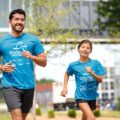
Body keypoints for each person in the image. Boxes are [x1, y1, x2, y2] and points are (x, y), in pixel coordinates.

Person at [0, 9, 47, 120]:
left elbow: (44, 62)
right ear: (9, 22)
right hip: (10, 86)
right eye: (16, 19)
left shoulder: (33, 40)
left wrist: (32, 57)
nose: (19, 22)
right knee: (17, 118)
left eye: (22, 20)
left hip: (28, 86)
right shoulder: (2, 42)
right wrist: (1, 67)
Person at [61, 39, 106, 120]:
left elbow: (100, 80)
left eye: (88, 48)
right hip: (80, 96)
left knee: (85, 118)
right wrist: (64, 87)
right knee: (91, 118)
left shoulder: (95, 63)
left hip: (92, 96)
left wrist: (91, 72)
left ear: (90, 51)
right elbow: (67, 73)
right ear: (78, 49)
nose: (85, 49)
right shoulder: (73, 65)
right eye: (83, 47)